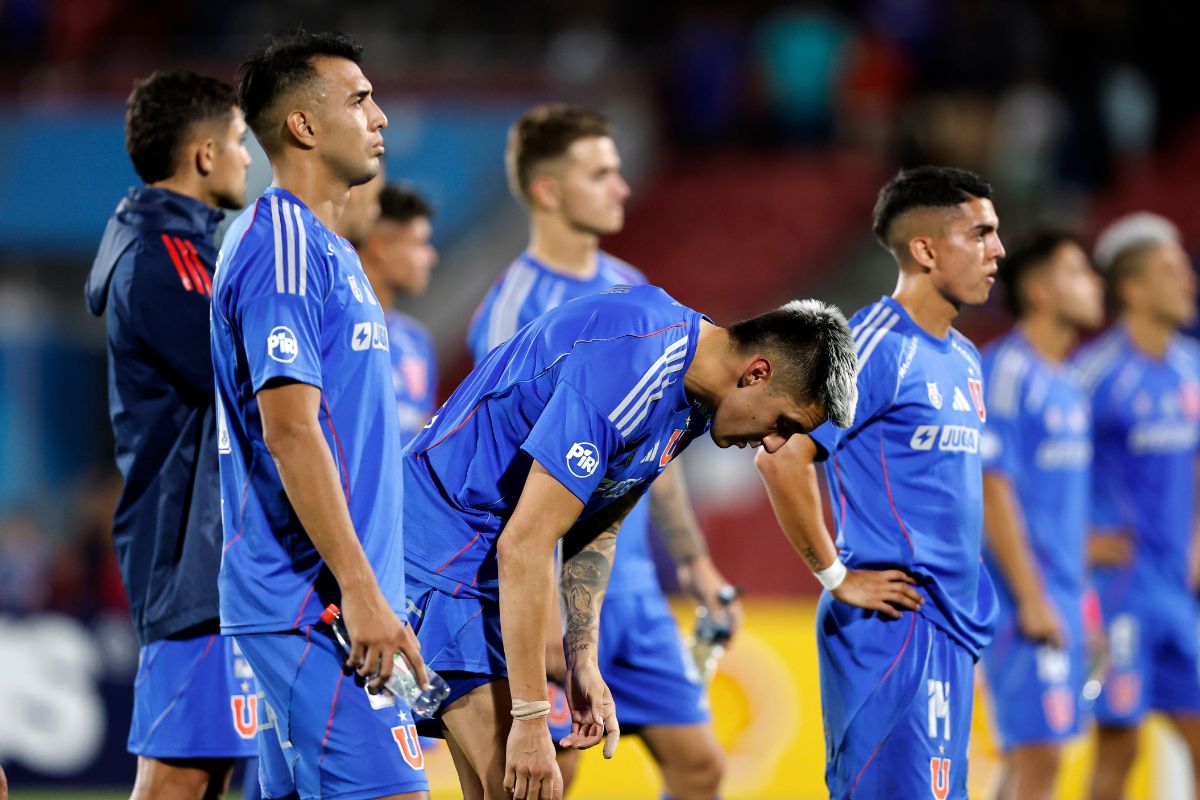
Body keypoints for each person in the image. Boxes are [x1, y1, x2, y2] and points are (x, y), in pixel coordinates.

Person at [403, 282, 858, 800]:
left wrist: (583, 658)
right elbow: (526, 544)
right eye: (784, 422)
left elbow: (599, 520)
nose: (774, 442)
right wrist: (531, 719)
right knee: (521, 786)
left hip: (484, 556)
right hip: (443, 551)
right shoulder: (633, 362)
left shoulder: (693, 398)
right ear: (757, 373)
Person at [468, 103, 737, 798]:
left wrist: (696, 560)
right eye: (601, 173)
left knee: (701, 764)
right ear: (549, 190)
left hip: (633, 584)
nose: (622, 187)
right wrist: (544, 618)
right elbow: (505, 474)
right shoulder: (513, 308)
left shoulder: (635, 290)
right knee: (554, 774)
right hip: (549, 583)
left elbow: (662, 440)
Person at [211, 31, 429, 800]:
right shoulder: (283, 250)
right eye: (360, 99)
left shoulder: (326, 250)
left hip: (324, 603)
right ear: (303, 126)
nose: (382, 118)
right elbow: (291, 430)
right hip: (314, 608)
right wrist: (361, 590)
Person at [755, 166, 1005, 800]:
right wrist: (836, 575)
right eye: (979, 234)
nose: (997, 250)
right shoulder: (874, 346)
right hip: (895, 628)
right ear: (924, 250)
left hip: (947, 628)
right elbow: (780, 458)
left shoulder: (965, 358)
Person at [84, 69, 255, 800]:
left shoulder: (185, 249)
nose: (251, 158)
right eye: (243, 142)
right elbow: (245, 381)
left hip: (213, 558)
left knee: (213, 775)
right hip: (193, 560)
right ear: (206, 155)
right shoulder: (163, 259)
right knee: (179, 781)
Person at [1076, 212, 1200, 800]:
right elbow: (1038, 469)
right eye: (1171, 270)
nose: (1188, 281)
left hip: (1177, 592)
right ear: (1132, 288)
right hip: (1118, 591)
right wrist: (1075, 541)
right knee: (1119, 750)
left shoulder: (1191, 370)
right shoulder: (1095, 375)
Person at [978, 231, 1103, 800]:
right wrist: (1031, 598)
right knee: (1038, 757)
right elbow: (989, 486)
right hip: (1020, 604)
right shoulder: (1006, 371)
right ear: (1039, 291)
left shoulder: (1071, 384)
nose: (1094, 283)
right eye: (1078, 271)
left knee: (1040, 760)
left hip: (1064, 596)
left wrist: (1084, 603)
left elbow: (1065, 507)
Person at [342, 179, 439, 444]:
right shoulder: (336, 330)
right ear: (380, 248)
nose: (431, 256)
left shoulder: (417, 342)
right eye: (420, 243)